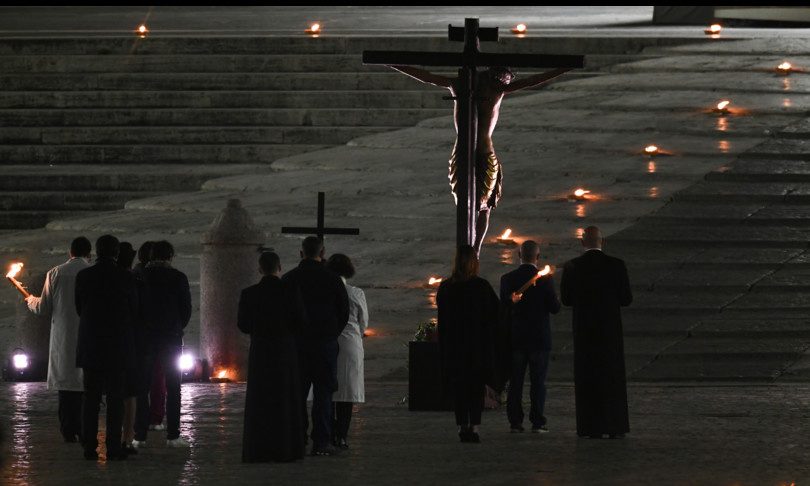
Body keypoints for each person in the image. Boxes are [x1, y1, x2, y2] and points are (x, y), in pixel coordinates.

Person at [389, 64, 572, 253]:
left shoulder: (458, 84)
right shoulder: (497, 88)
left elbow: (426, 76)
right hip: (483, 150)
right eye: (508, 78)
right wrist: (563, 69)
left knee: (466, 204)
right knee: (484, 208)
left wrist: (394, 64)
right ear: (497, 75)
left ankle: (470, 249)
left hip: (462, 150)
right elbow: (532, 81)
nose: (509, 82)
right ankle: (474, 250)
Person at [560, 226, 633, 439]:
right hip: (610, 332)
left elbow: (566, 300)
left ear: (583, 243)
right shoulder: (616, 265)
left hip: (584, 332)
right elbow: (626, 299)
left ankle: (590, 426)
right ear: (602, 242)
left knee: (587, 378)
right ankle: (614, 424)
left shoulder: (573, 267)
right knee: (612, 378)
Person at [282, 236, 349, 456]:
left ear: (301, 253)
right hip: (324, 344)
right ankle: (322, 441)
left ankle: (297, 438)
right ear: (322, 253)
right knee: (324, 394)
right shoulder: (332, 279)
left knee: (298, 393)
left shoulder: (290, 278)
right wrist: (331, 334)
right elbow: (343, 313)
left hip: (298, 345)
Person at [238, 251, 307, 462]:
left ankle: (258, 449)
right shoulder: (290, 290)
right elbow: (301, 322)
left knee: (261, 400)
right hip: (285, 352)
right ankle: (286, 449)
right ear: (279, 267)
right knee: (285, 399)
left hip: (260, 352)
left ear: (260, 269)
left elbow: (243, 325)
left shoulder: (249, 293)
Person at [74, 234, 138, 460]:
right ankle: (113, 447)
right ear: (116, 253)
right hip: (118, 347)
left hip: (91, 345)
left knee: (90, 399)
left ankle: (89, 446)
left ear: (96, 252)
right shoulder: (126, 278)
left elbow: (80, 308)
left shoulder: (84, 276)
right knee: (115, 398)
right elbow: (134, 311)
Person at [25, 236, 92, 443]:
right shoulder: (91, 273)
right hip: (87, 335)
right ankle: (83, 428)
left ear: (70, 253)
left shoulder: (55, 273)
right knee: (84, 386)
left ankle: (67, 430)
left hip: (63, 337)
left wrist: (30, 300)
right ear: (89, 254)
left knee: (66, 388)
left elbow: (43, 307)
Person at [436, 245, 499, 443]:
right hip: (477, 348)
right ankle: (475, 425)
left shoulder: (446, 288)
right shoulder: (482, 287)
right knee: (475, 388)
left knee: (459, 388)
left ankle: (462, 424)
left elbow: (442, 320)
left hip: (455, 347)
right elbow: (495, 316)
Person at [133, 240, 192, 448]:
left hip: (146, 339)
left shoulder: (139, 277)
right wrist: (175, 327)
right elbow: (186, 311)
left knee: (142, 387)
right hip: (171, 339)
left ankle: (139, 435)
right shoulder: (178, 278)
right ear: (170, 256)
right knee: (173, 387)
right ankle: (173, 435)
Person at [500, 240, 561, 434]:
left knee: (515, 382)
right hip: (539, 339)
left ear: (519, 255)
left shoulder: (507, 279)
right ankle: (538, 421)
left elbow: (503, 307)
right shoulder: (546, 280)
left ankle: (515, 422)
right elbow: (555, 308)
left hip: (517, 338)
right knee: (538, 382)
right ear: (538, 257)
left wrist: (512, 302)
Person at [325, 253, 368, 450]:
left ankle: (329, 431)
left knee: (328, 391)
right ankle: (342, 435)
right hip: (350, 343)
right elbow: (363, 322)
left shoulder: (324, 292)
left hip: (329, 341)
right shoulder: (355, 293)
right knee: (347, 393)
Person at [117, 242, 139, 455]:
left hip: (103, 344)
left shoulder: (95, 278)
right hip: (129, 345)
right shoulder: (133, 281)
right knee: (129, 394)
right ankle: (127, 439)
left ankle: (108, 440)